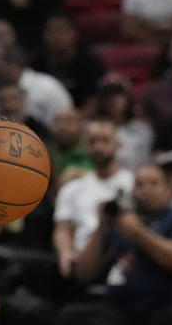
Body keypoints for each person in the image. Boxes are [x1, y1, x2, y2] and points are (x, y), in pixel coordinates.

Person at [62, 163, 172, 325]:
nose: (146, 190)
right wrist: (100, 225)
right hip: (119, 314)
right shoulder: (121, 222)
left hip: (161, 310)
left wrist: (136, 231)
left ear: (168, 190)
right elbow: (84, 274)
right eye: (139, 185)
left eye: (153, 184)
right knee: (71, 316)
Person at [53, 118, 134, 278]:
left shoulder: (133, 183)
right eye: (92, 142)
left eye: (105, 141)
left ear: (118, 143)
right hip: (82, 259)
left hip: (124, 258)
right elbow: (62, 228)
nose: (98, 147)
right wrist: (65, 251)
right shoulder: (72, 188)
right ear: (84, 147)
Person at [31, 11, 106, 108]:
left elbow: (94, 101)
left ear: (73, 33)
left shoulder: (90, 62)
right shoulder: (36, 64)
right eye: (50, 31)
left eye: (60, 31)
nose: (55, 36)